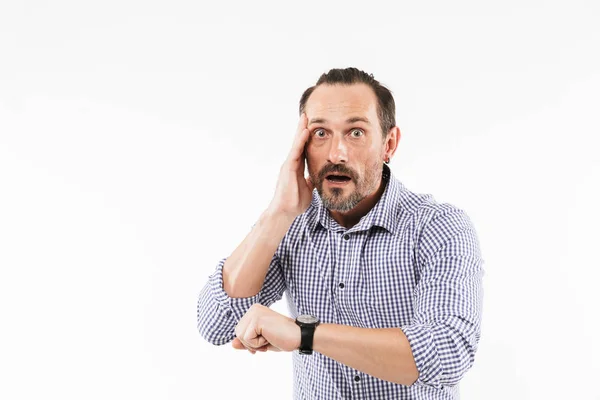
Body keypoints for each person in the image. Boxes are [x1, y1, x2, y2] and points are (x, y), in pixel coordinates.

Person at [196, 67, 484, 399]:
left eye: (356, 133)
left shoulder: (439, 227)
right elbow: (215, 325)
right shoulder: (290, 224)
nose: (336, 154)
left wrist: (305, 335)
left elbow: (447, 354)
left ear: (389, 144)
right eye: (320, 133)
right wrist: (276, 214)